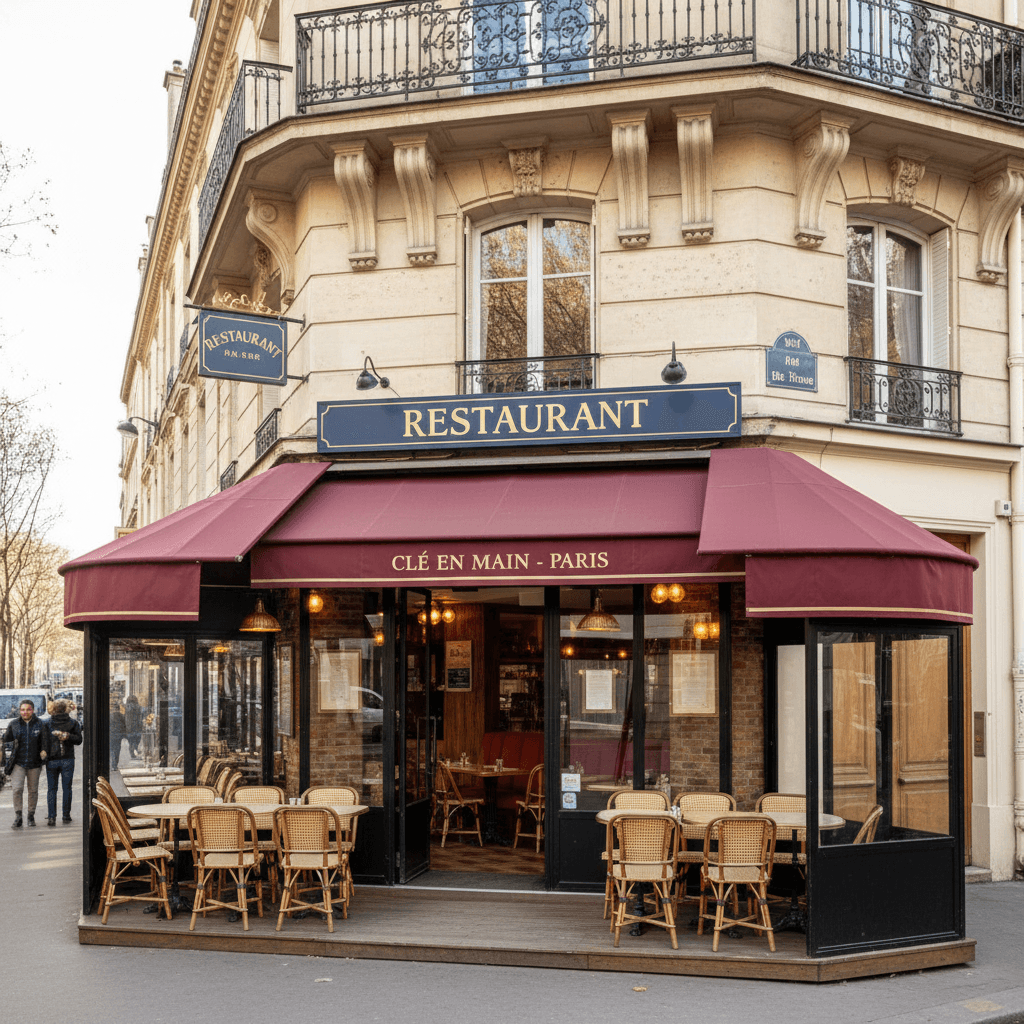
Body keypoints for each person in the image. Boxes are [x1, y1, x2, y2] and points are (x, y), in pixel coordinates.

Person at [2, 699, 50, 828]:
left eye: (28, 709)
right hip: (18, 763)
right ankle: (18, 816)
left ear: (33, 710)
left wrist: (44, 751)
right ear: (19, 710)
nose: (25, 712)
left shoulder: (40, 724)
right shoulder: (14, 724)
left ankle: (30, 816)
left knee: (33, 791)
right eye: (22, 710)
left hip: (35, 763)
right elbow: (6, 741)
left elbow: (45, 741)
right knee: (17, 789)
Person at [45, 699, 82, 826]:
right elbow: (79, 740)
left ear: (54, 709)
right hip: (68, 759)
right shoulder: (73, 723)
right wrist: (68, 736)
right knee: (67, 789)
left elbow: (43, 741)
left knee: (51, 789)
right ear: (66, 709)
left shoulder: (48, 723)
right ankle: (66, 815)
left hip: (51, 760)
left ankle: (51, 817)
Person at [124, 694, 143, 759]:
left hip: (129, 727)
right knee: (137, 739)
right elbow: (140, 716)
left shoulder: (126, 707)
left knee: (131, 741)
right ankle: (135, 749)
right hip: (136, 726)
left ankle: (133, 752)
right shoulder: (138, 707)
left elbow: (125, 717)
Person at [109, 699, 126, 769]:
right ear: (119, 709)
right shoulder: (122, 716)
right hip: (119, 735)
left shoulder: (110, 716)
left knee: (112, 749)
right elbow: (124, 725)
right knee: (117, 749)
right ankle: (115, 764)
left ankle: (113, 763)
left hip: (111, 735)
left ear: (114, 709)